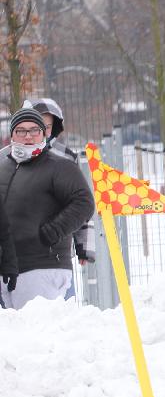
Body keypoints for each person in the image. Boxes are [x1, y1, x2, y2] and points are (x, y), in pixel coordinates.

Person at [0, 107, 95, 309]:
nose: (28, 136)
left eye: (34, 130)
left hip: (42, 267)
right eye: (21, 131)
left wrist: (52, 232)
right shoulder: (2, 166)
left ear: (45, 133)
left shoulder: (59, 166)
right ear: (12, 135)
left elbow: (84, 202)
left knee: (39, 335)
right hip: (6, 270)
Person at [24, 98, 97, 300]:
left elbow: (80, 204)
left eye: (48, 126)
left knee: (60, 311)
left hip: (58, 249)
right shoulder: (12, 158)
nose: (44, 131)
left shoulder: (65, 157)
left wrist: (83, 246)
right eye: (39, 124)